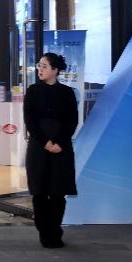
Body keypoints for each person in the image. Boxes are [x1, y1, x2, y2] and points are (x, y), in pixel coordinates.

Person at [23, 52, 78, 248]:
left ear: (55, 70)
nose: (40, 69)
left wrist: (59, 143)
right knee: (39, 192)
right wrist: (46, 143)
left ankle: (55, 231)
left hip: (62, 148)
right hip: (38, 147)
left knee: (57, 192)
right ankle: (44, 233)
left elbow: (72, 121)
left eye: (44, 66)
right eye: (39, 65)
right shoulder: (32, 91)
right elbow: (29, 121)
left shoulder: (67, 92)